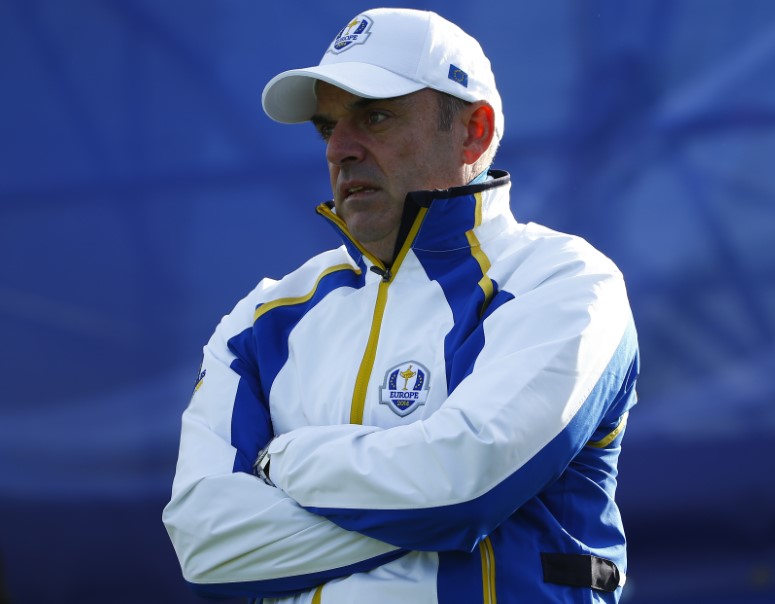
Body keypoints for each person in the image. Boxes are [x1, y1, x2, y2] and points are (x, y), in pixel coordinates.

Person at [163, 7, 639, 603]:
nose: (340, 149)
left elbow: (463, 488)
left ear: (474, 130)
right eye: (325, 127)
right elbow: (205, 543)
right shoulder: (261, 319)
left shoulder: (566, 281)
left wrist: (280, 461)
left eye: (376, 116)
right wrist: (430, 515)